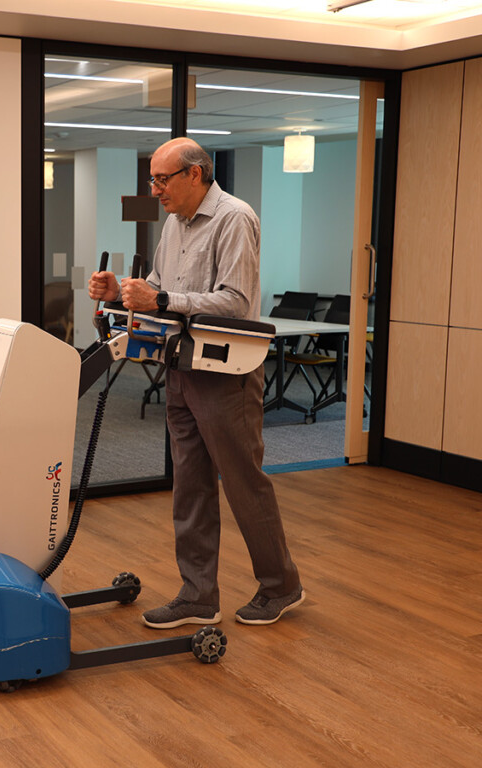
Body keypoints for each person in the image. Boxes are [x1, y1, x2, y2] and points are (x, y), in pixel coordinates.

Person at [88, 137, 304, 628]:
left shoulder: (235, 218)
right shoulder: (173, 223)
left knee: (244, 486)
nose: (156, 190)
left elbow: (234, 299)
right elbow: (164, 289)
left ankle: (281, 585)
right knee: (190, 486)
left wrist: (162, 302)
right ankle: (197, 594)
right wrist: (122, 292)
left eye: (162, 180)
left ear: (196, 174)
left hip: (226, 374)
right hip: (181, 367)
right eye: (152, 180)